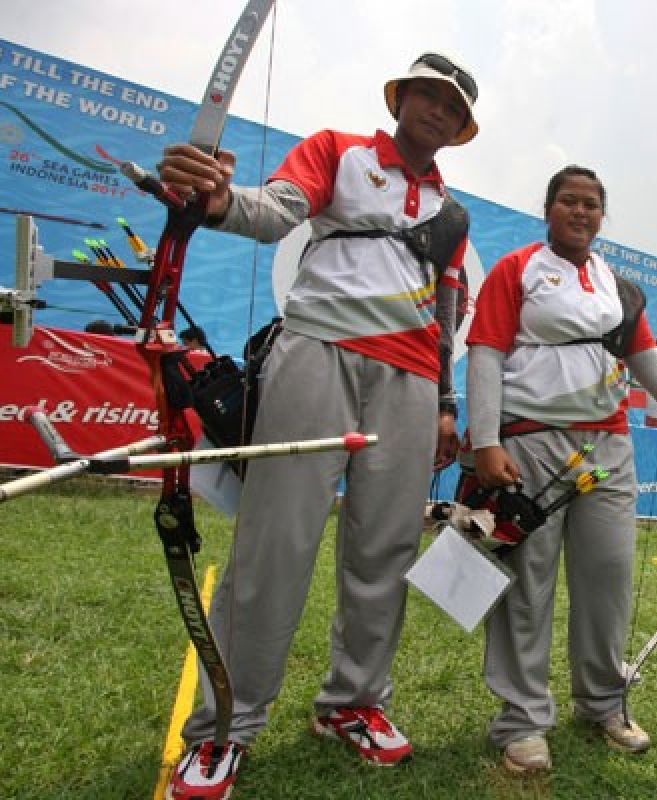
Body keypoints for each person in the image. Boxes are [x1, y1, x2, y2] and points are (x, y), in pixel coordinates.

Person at [156, 51, 479, 799]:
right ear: (401, 99)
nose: (436, 110)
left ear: (462, 128)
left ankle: (354, 702)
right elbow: (274, 211)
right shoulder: (338, 150)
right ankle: (224, 728)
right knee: (276, 539)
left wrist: (445, 398)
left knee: (387, 546)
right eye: (426, 95)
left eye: (451, 107)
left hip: (407, 379)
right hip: (316, 352)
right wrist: (212, 199)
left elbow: (448, 310)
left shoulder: (452, 214)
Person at [464, 165, 657, 773]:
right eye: (569, 201)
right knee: (526, 587)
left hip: (607, 452)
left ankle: (602, 704)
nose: (581, 211)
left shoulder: (619, 291)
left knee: (609, 578)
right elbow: (486, 353)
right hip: (530, 445)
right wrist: (487, 441)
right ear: (549, 209)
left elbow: (654, 371)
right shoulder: (517, 269)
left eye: (592, 204)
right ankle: (522, 722)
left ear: (602, 215)